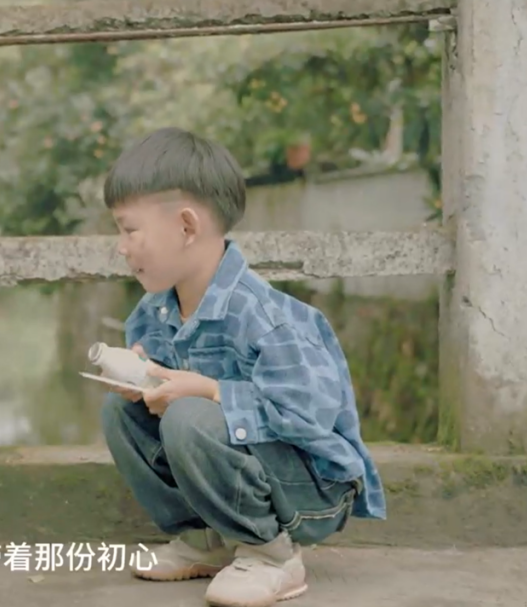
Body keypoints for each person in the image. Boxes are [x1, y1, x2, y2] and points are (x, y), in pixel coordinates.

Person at [97, 127, 386, 607]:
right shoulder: (154, 312)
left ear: (186, 227)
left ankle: (271, 555)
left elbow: (308, 415)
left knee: (190, 414)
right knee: (120, 410)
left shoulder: (264, 317)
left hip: (310, 491)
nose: (121, 247)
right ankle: (206, 538)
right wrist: (144, 382)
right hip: (234, 470)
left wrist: (212, 392)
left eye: (129, 230)